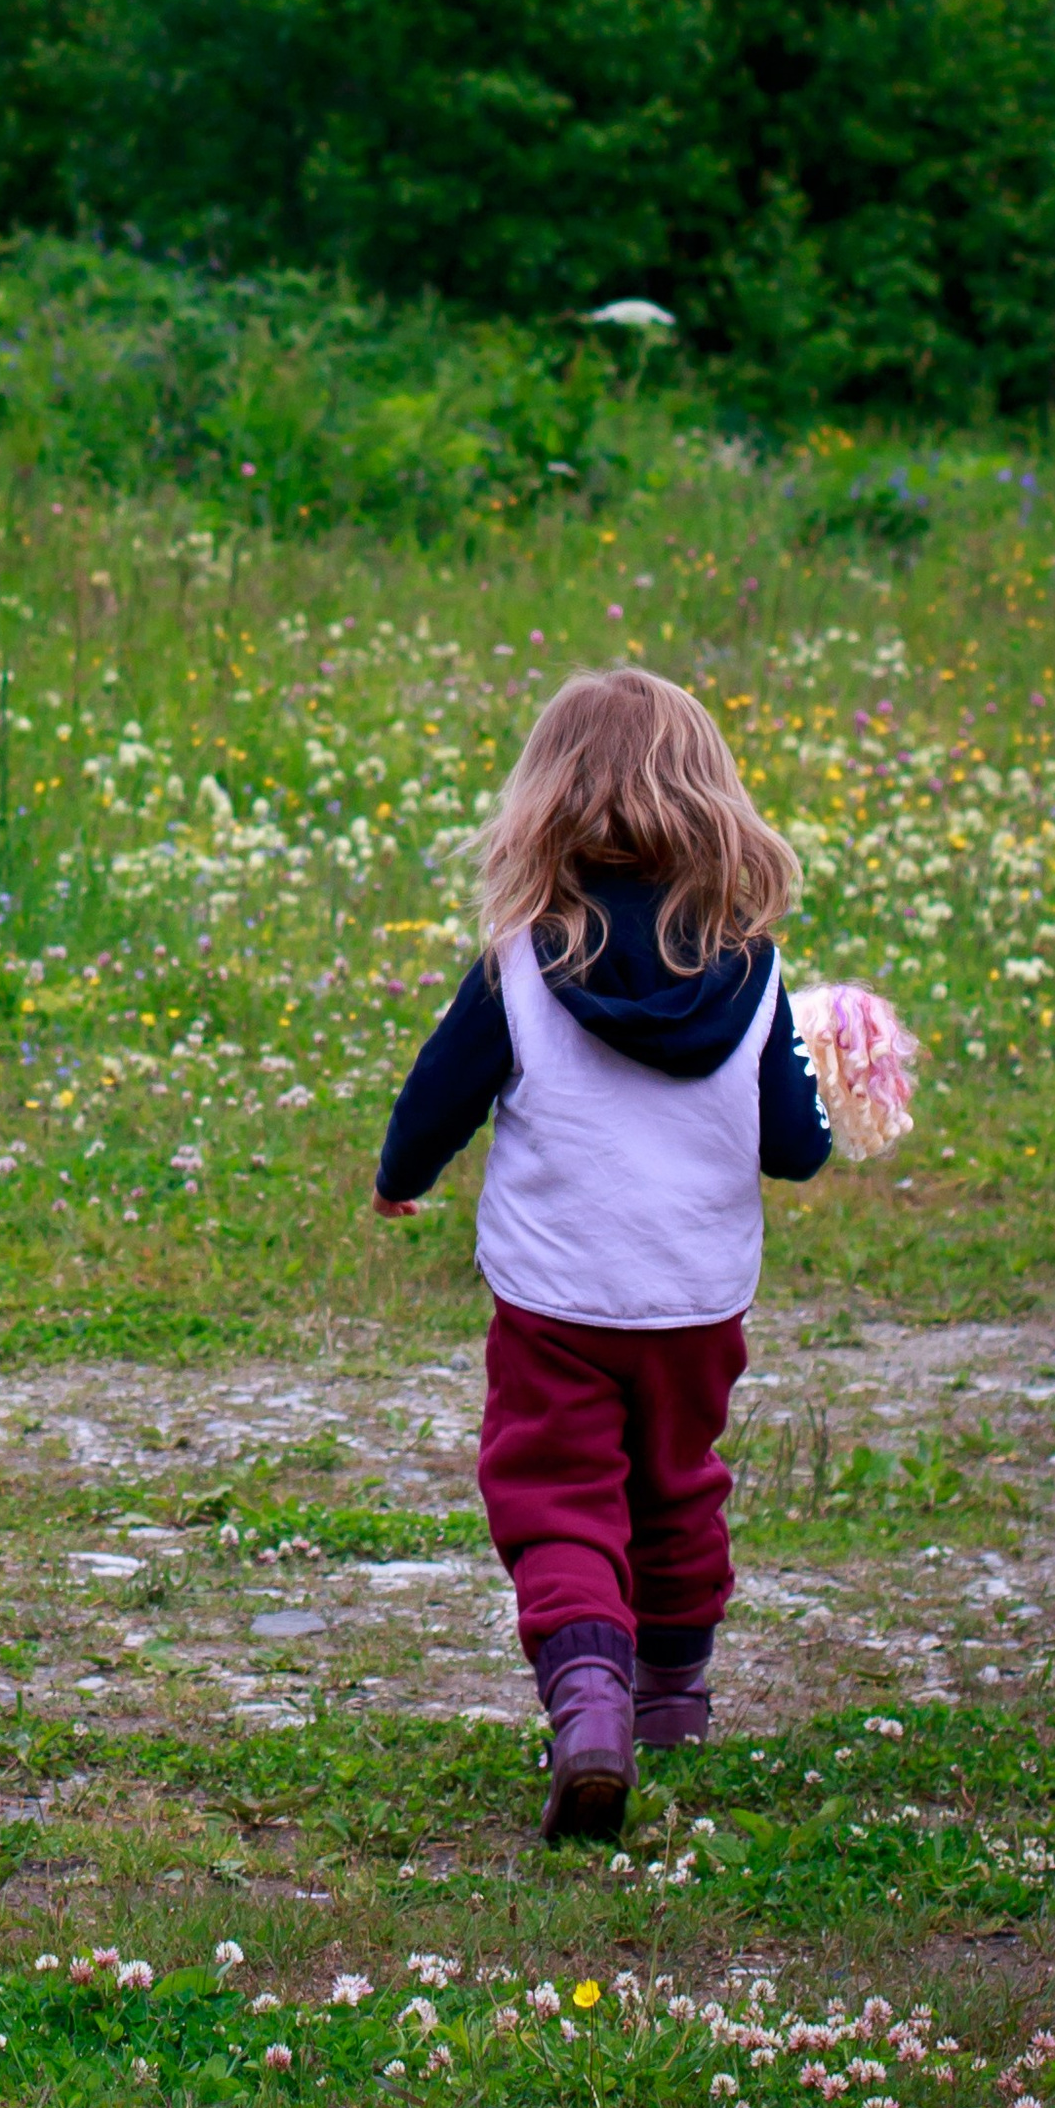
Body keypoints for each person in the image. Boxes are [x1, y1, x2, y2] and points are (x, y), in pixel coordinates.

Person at [372, 664, 831, 1842]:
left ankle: (588, 1706)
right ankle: (672, 1697)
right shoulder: (756, 971)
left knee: (559, 1498)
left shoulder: (518, 966)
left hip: (555, 1304)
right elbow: (791, 1150)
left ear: (547, 802)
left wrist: (398, 1180)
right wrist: (824, 1097)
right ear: (709, 802)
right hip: (694, 1305)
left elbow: (438, 1101)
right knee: (678, 1491)